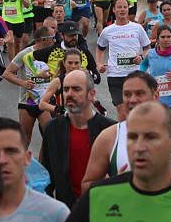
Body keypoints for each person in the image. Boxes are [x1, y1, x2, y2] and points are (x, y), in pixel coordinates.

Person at [40, 70, 115, 207]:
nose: (69, 94)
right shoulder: (53, 129)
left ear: (91, 94)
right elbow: (45, 175)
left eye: (76, 89)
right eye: (66, 89)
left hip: (104, 210)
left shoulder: (110, 130)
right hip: (67, 212)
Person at [98, 0, 151, 119]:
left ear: (128, 9)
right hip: (115, 76)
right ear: (114, 10)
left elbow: (147, 48)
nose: (122, 10)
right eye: (119, 7)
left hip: (135, 75)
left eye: (125, 7)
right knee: (122, 113)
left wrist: (141, 57)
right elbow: (100, 48)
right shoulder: (107, 31)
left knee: (136, 112)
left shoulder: (137, 28)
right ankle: (124, 137)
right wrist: (99, 64)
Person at [2, 26, 55, 145]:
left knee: (50, 137)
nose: (54, 40)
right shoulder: (25, 53)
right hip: (27, 102)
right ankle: (22, 163)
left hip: (46, 101)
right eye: (52, 38)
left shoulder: (54, 53)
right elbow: (7, 73)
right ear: (43, 40)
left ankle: (44, 163)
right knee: (24, 140)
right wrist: (23, 83)